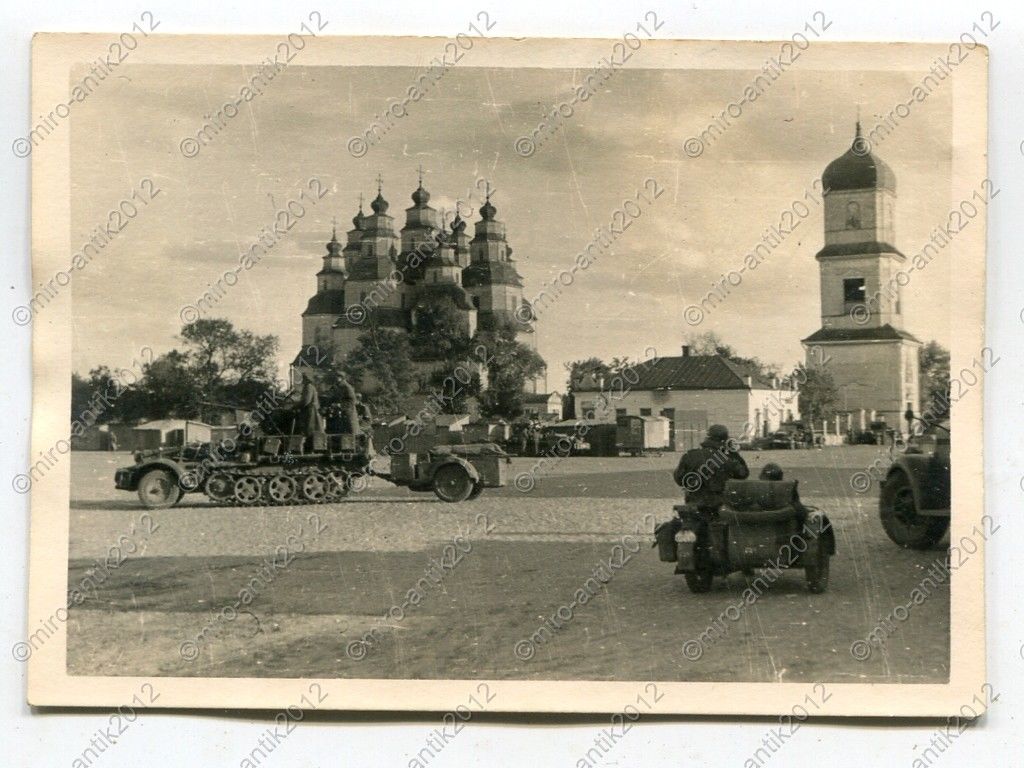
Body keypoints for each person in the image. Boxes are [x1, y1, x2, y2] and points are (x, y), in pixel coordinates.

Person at [673, 424, 749, 515]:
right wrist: (735, 454)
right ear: (725, 440)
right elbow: (743, 474)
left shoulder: (690, 455)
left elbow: (679, 479)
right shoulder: (728, 459)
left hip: (694, 505)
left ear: (708, 437)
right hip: (719, 507)